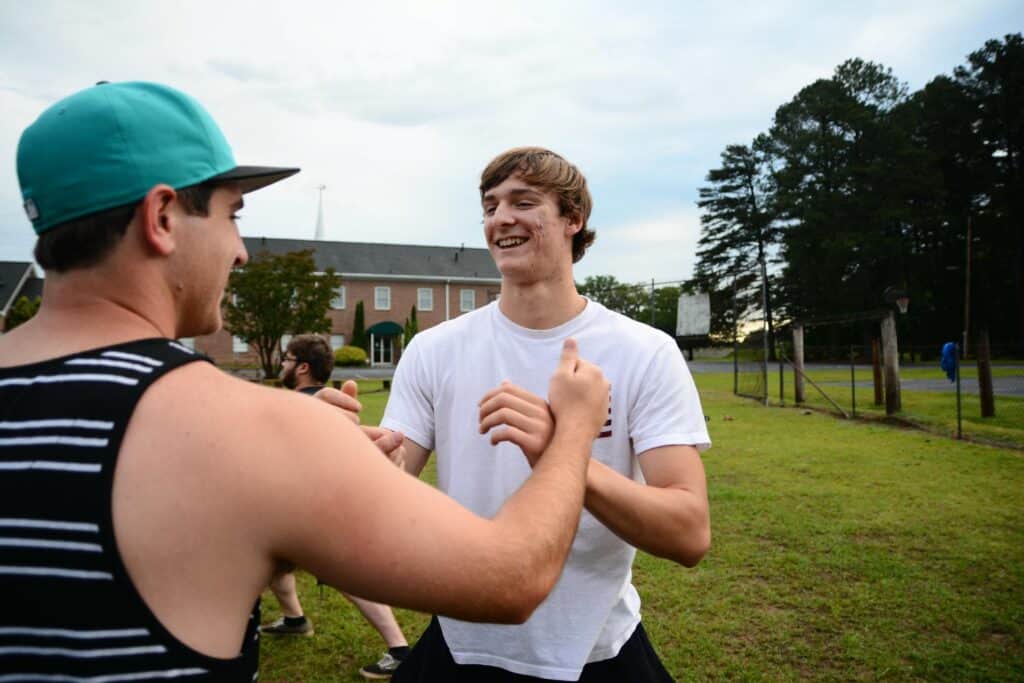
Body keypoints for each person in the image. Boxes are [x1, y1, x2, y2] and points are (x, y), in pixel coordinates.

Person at [0, 83, 611, 682]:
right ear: (161, 217)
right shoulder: (250, 429)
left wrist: (325, 477)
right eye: (231, 215)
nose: (241, 252)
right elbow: (512, 580)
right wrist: (575, 430)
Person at [381, 147, 712, 682]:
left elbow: (689, 533)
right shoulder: (434, 350)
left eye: (524, 202)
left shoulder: (644, 352)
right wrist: (354, 461)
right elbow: (390, 490)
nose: (500, 219)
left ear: (573, 220)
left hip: (596, 652)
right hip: (461, 644)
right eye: (490, 206)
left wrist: (564, 453)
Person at [268, 333, 412, 679]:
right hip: (296, 507)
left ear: (301, 367)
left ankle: (399, 649)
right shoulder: (323, 404)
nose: (283, 365)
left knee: (343, 575)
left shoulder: (308, 405)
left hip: (316, 508)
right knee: (273, 564)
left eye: (287, 359)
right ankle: (295, 619)